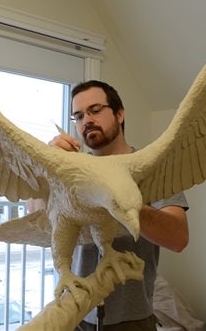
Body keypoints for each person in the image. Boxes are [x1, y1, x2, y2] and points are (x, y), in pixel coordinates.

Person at [48, 80, 189, 330]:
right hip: (75, 312)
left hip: (132, 319)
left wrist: (120, 198)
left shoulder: (152, 168)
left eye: (95, 110)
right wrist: (49, 168)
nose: (87, 120)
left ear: (120, 113)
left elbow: (178, 238)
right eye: (79, 116)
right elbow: (37, 212)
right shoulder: (72, 171)